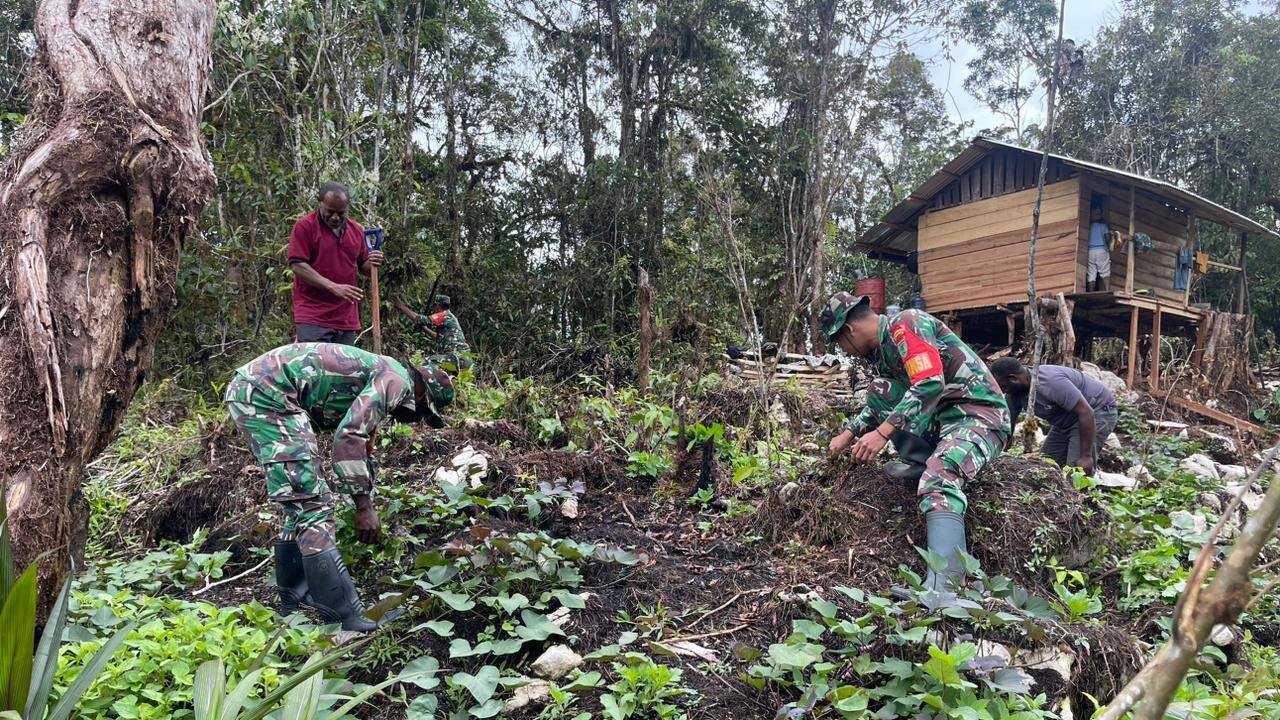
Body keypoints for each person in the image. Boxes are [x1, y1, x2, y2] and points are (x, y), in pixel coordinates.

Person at [224, 343, 454, 630]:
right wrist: (364, 507)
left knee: (301, 501)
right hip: (267, 395)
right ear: (422, 393)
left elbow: (361, 445)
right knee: (313, 504)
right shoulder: (397, 382)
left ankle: (295, 596)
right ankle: (345, 616)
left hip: (258, 392)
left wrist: (367, 491)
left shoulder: (386, 374)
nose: (418, 420)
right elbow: (349, 434)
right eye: (424, 413)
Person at [822, 293, 1010, 594]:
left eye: (840, 344)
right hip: (943, 420)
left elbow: (929, 383)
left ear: (849, 330)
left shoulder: (906, 323)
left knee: (939, 480)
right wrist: (849, 433)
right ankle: (923, 463)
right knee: (880, 389)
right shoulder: (883, 350)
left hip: (979, 417)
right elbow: (885, 400)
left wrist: (882, 433)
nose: (846, 351)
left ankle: (947, 587)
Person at [288, 182, 384, 344]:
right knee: (315, 366)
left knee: (342, 367)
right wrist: (334, 287)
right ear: (320, 204)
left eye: (341, 213)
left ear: (348, 208)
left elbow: (364, 267)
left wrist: (373, 261)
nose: (335, 217)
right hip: (313, 315)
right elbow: (297, 264)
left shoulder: (356, 230)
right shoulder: (305, 227)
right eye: (330, 212)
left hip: (345, 317)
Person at [990, 357, 1117, 474]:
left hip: (1096, 411)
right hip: (1066, 419)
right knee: (1046, 467)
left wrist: (1086, 456)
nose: (1002, 391)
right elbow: (1008, 423)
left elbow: (1086, 413)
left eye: (1003, 386)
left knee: (1077, 471)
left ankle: (1080, 496)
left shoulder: (1051, 383)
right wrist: (1003, 445)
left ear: (1014, 378)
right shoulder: (1014, 393)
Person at [393, 294, 473, 372]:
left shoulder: (443, 315)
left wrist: (401, 307)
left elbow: (422, 319)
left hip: (456, 357)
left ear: (438, 305)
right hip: (466, 358)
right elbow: (439, 338)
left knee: (426, 362)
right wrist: (425, 329)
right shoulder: (451, 317)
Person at [1086, 205, 1112, 292]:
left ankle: (1091, 292)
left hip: (1090, 250)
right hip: (1101, 250)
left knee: (1091, 273)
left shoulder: (1088, 226)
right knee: (1105, 272)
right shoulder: (1103, 226)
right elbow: (1108, 238)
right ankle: (1107, 290)